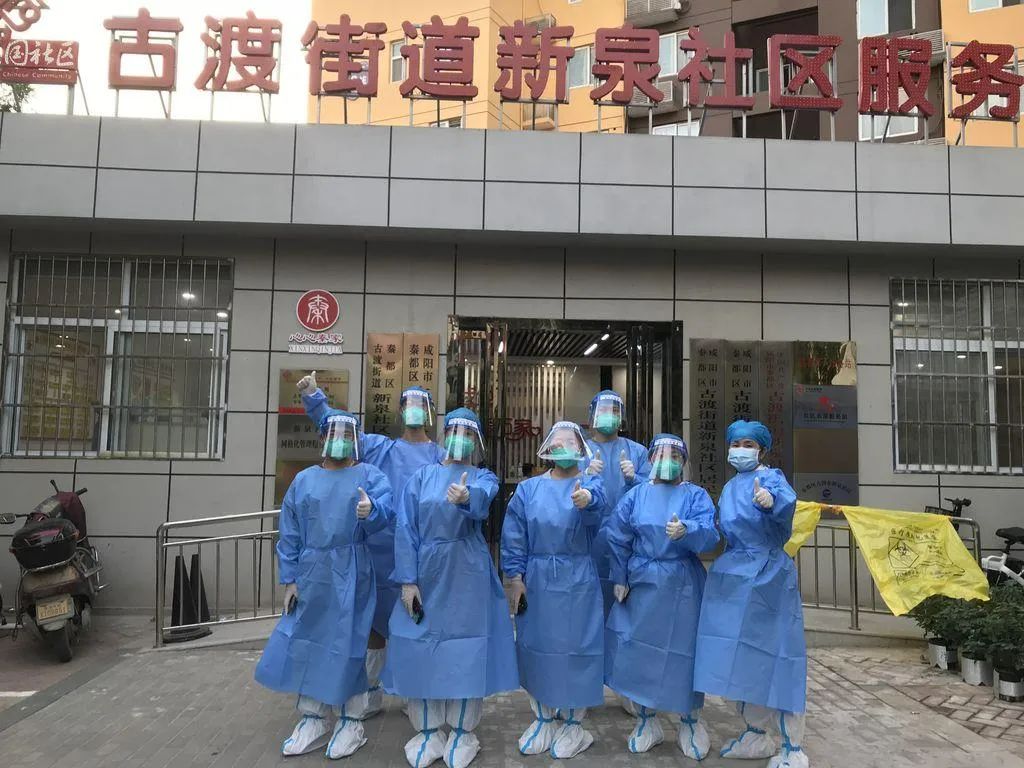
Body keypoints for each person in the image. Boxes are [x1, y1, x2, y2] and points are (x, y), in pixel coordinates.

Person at [300, 372, 445, 717]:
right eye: (408, 404)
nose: (413, 410)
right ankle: (370, 691)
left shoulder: (441, 455)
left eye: (420, 404)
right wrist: (315, 398)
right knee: (373, 624)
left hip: (421, 552)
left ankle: (415, 693)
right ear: (400, 411)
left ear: (429, 412)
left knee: (417, 621)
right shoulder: (382, 448)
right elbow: (339, 429)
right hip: (378, 549)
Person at [384, 408, 519, 768]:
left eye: (468, 433)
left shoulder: (482, 476)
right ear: (444, 435)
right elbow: (405, 529)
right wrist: (408, 580)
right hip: (426, 571)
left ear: (476, 441)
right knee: (420, 647)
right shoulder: (421, 478)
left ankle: (462, 731)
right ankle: (428, 730)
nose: (461, 439)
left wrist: (466, 497)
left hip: (468, 572)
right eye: (455, 431)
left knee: (466, 650)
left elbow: (483, 497)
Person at [255, 410, 393, 759]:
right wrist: (289, 579)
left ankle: (352, 721)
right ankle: (313, 718)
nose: (341, 441)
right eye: (335, 434)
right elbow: (290, 532)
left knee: (350, 644)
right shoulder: (304, 481)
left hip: (353, 571)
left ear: (356, 441)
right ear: (322, 438)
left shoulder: (369, 476)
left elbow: (386, 511)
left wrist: (372, 510)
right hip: (313, 574)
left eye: (348, 435)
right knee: (309, 642)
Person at [694, 420, 807, 768]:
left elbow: (786, 506)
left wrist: (772, 503)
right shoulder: (730, 487)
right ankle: (756, 733)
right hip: (733, 576)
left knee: (777, 656)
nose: (740, 450)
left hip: (769, 577)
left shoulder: (771, 479)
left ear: (762, 450)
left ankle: (792, 747)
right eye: (736, 443)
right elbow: (719, 530)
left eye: (748, 444)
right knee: (738, 656)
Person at [603, 434, 719, 757]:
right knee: (641, 651)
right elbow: (617, 535)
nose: (667, 461)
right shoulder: (636, 495)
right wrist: (620, 576)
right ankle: (646, 721)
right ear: (651, 460)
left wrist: (689, 530)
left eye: (675, 456)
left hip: (683, 584)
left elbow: (711, 534)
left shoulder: (695, 496)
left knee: (686, 653)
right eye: (661, 455)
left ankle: (690, 722)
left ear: (684, 462)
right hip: (642, 583)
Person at [501, 421, 607, 760]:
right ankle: (544, 718)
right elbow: (514, 535)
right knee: (538, 646)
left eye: (570, 443)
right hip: (538, 579)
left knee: (576, 647)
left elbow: (599, 509)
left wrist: (588, 500)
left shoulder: (589, 484)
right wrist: (515, 577)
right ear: (548, 448)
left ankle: (574, 723)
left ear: (580, 449)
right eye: (557, 443)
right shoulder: (529, 489)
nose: (563, 449)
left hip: (578, 578)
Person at [582, 390, 651, 616]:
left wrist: (635, 479)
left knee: (626, 608)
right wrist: (584, 475)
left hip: (628, 538)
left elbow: (654, 495)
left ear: (621, 417)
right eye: (603, 410)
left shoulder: (637, 452)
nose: (608, 415)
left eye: (614, 411)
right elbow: (563, 491)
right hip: (587, 537)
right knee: (590, 604)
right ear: (592, 415)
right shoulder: (580, 451)